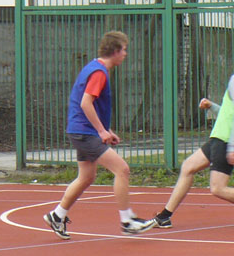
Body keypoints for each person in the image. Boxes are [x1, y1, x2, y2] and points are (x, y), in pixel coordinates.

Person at [147, 48, 234, 230]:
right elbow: (233, 112)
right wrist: (212, 106)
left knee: (218, 188)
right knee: (188, 167)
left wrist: (233, 147)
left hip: (227, 138)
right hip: (222, 136)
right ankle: (164, 216)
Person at [43, 31, 156, 240]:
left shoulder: (95, 68)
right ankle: (127, 221)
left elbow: (91, 105)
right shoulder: (99, 73)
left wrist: (107, 130)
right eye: (124, 50)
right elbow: (86, 103)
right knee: (122, 169)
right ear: (114, 51)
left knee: (86, 177)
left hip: (81, 130)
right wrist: (101, 131)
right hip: (84, 132)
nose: (126, 54)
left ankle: (57, 215)